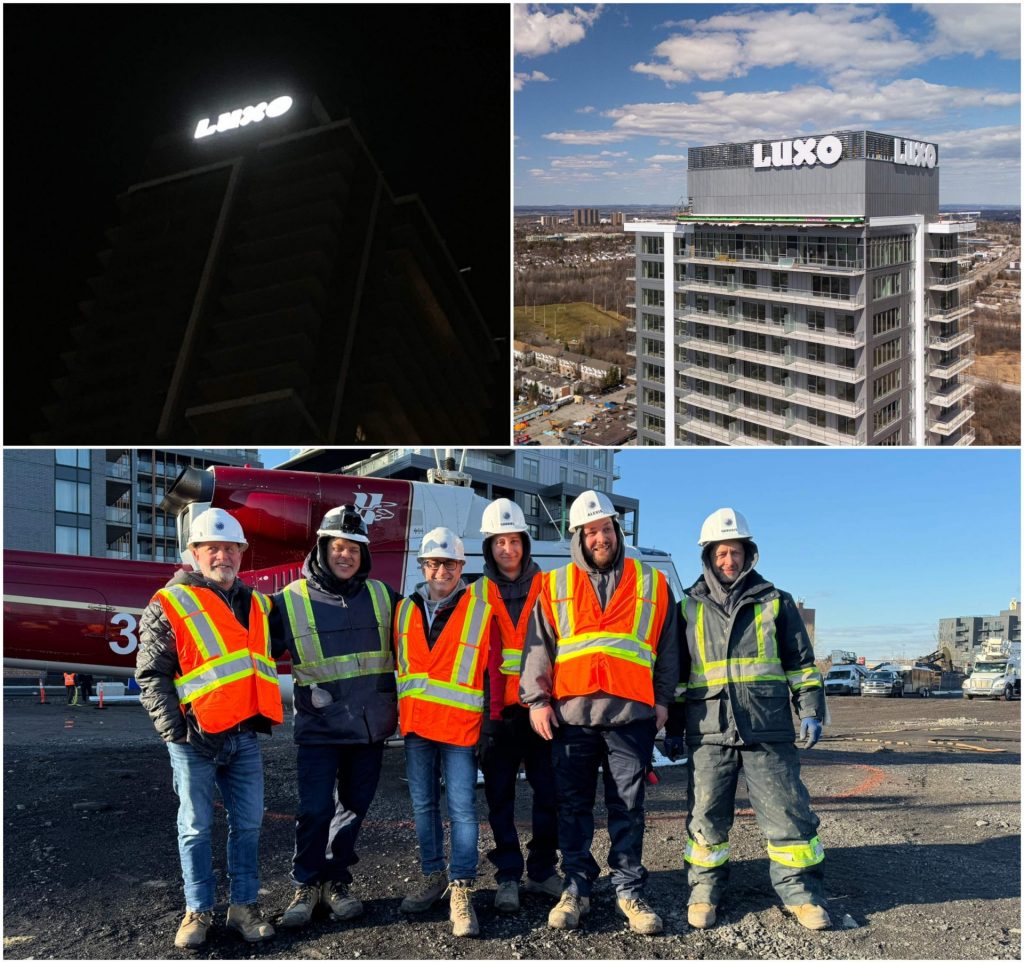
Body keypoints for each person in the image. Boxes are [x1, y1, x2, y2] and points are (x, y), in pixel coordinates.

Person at [520, 490, 678, 935]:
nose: (600, 538)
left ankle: (628, 889)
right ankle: (577, 886)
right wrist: (537, 701)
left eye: (606, 528)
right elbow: (539, 649)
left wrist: (663, 700)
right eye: (591, 532)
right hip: (572, 718)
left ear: (616, 531)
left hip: (632, 716)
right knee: (572, 807)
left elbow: (666, 649)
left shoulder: (652, 583)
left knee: (628, 806)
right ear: (578, 538)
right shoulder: (554, 585)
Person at [663, 508, 829, 932]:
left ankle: (801, 893)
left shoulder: (776, 602)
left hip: (766, 726)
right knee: (705, 816)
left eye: (734, 552)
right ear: (708, 557)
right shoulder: (688, 609)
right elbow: (679, 676)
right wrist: (675, 729)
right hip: (709, 729)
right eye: (720, 553)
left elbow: (802, 665)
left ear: (749, 554)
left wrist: (810, 709)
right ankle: (703, 890)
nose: (728, 562)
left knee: (787, 813)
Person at [136, 507, 283, 950]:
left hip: (243, 734)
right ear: (195, 554)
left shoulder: (256, 603)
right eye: (212, 548)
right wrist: (175, 732)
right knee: (196, 827)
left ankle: (243, 906)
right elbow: (151, 675)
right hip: (194, 738)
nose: (223, 556)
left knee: (249, 825)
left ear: (242, 553)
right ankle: (197, 910)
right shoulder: (170, 602)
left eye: (230, 548)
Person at [271, 505, 401, 929]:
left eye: (355, 549)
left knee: (353, 808)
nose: (346, 555)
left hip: (369, 729)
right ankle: (306, 883)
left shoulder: (385, 597)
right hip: (320, 730)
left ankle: (335, 879)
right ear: (323, 549)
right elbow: (249, 654)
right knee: (313, 810)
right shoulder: (288, 602)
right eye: (338, 547)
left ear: (364, 554)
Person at [396, 527, 493, 938]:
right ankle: (433, 875)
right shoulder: (404, 609)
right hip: (417, 726)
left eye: (449, 564)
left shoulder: (479, 610)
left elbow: (488, 672)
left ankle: (462, 887)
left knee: (462, 810)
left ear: (461, 566)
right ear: (423, 566)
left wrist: (489, 726)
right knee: (423, 806)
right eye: (434, 563)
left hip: (459, 726)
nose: (441, 570)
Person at [476, 498, 560, 913]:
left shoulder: (553, 588)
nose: (507, 550)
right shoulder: (476, 593)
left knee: (548, 795)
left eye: (514, 541)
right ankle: (508, 873)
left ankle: (543, 870)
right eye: (498, 542)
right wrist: (479, 719)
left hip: (543, 711)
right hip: (498, 715)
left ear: (525, 543)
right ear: (488, 547)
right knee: (500, 800)